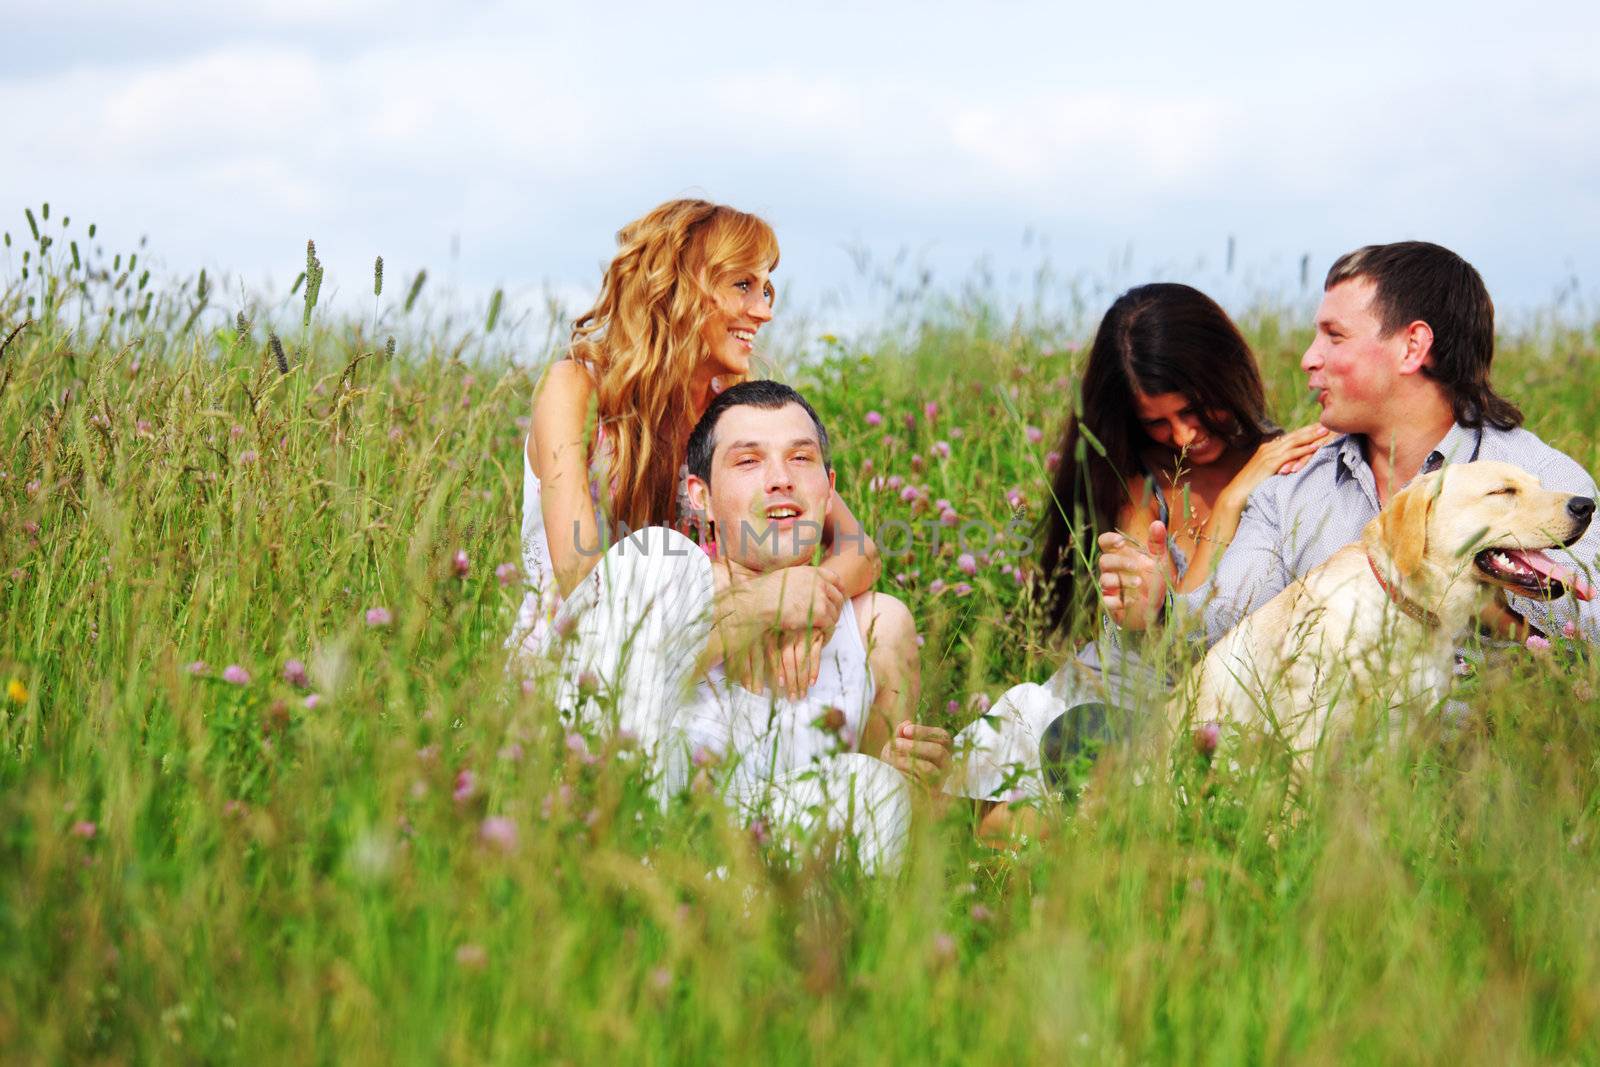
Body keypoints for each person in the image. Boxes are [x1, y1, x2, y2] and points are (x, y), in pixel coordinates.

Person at [944, 283, 1328, 829]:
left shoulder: (1285, 469)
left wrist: (1247, 488)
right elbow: (1174, 630)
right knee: (973, 806)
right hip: (1103, 701)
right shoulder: (1135, 479)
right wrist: (1229, 507)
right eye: (1158, 421)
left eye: (1196, 408)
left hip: (1197, 719)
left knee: (1011, 828)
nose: (1184, 435)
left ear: (1226, 373)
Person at [1100, 241, 1600, 655]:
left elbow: (1588, 630)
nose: (1307, 359)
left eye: (1334, 337)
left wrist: (1482, 596)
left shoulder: (1549, 484)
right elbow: (1227, 622)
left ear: (1412, 347)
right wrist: (1160, 608)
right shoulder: (1293, 487)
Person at [544, 380, 950, 871]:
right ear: (701, 497)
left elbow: (874, 789)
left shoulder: (877, 628)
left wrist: (905, 777)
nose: (780, 479)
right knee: (654, 558)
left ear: (830, 488)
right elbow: (593, 697)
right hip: (651, 860)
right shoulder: (664, 580)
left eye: (801, 459)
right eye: (748, 461)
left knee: (875, 789)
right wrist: (761, 605)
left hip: (785, 888)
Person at [509, 199, 880, 697]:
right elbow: (585, 578)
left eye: (766, 288)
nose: (765, 311)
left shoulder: (731, 412)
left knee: (881, 619)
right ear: (681, 286)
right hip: (587, 663)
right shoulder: (574, 390)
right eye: (743, 285)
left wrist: (810, 602)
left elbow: (859, 550)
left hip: (713, 655)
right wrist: (764, 598)